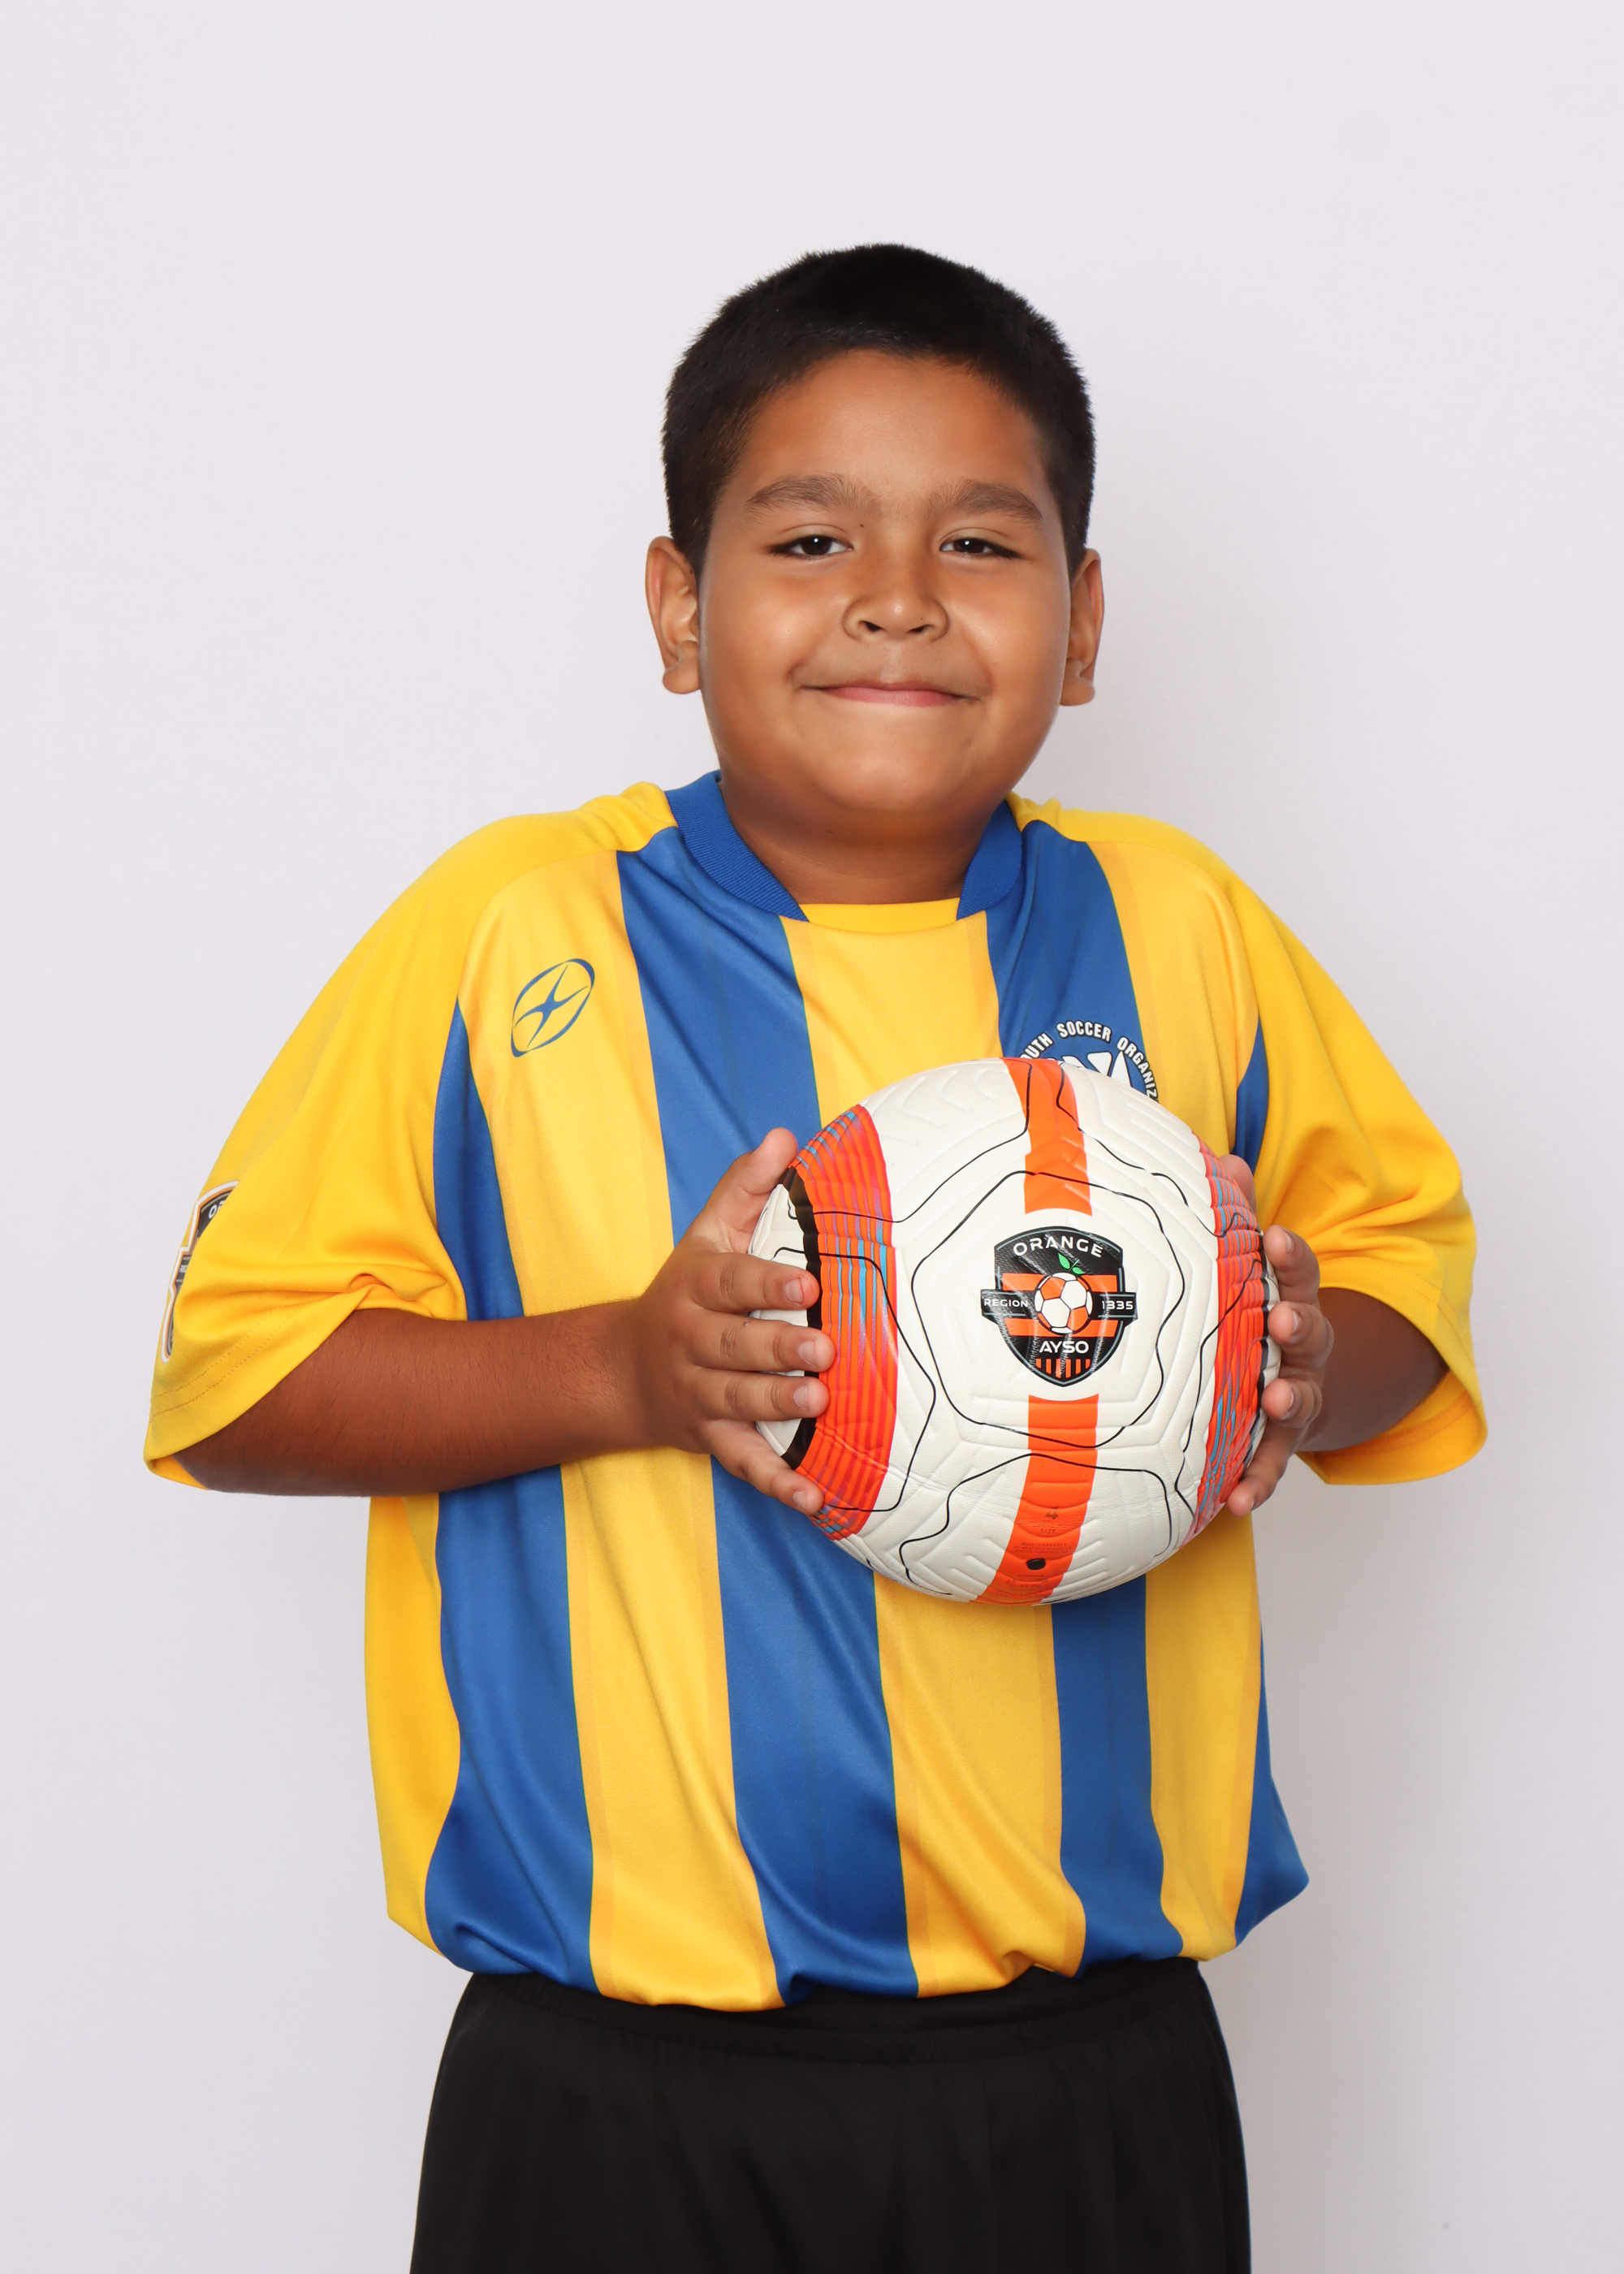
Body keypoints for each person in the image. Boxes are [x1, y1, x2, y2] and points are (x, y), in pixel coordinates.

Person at [144, 244, 1483, 2272]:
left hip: (1089, 2068)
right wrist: (624, 1369)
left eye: (978, 541)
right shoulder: (515, 929)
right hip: (614, 2083)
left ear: (1083, 621)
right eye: (807, 536)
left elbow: (1394, 1290)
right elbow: (237, 1377)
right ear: (677, 607)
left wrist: (1302, 1352)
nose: (896, 595)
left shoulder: (1180, 925)